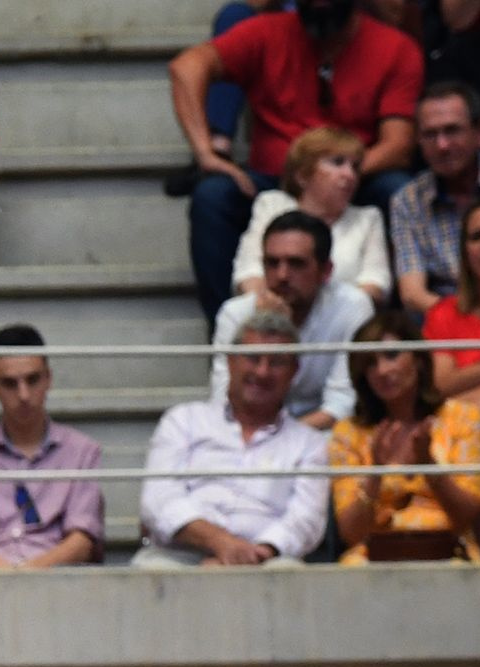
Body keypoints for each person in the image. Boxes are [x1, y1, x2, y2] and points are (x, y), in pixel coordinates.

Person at [169, 0, 423, 320]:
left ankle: (390, 342)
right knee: (212, 195)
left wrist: (337, 173)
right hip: (273, 179)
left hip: (354, 177)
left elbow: (398, 145)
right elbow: (186, 67)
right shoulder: (266, 32)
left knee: (397, 190)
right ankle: (233, 335)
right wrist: (205, 152)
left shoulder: (394, 47)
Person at [135, 308, 330, 567]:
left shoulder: (310, 443)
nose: (262, 372)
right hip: (180, 553)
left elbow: (306, 521)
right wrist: (220, 543)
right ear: (230, 361)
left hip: (264, 559)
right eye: (253, 358)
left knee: (288, 573)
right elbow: (158, 499)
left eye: (276, 362)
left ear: (294, 371)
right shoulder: (184, 420)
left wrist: (252, 553)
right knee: (151, 570)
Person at [327, 307, 480, 559]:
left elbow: (467, 515)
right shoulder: (348, 432)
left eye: (391, 355)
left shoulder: (463, 418)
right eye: (370, 364)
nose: (381, 371)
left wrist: (429, 466)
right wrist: (375, 473)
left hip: (449, 551)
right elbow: (350, 532)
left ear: (419, 361)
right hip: (374, 557)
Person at [0, 323, 105, 572]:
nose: (24, 395)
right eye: (10, 383)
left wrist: (32, 573)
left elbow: (82, 540)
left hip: (58, 571)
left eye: (33, 380)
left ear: (48, 378)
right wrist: (4, 573)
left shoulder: (83, 451)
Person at [211, 210, 377, 427]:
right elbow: (225, 401)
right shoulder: (235, 314)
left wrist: (284, 442)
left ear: (325, 271)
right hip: (248, 437)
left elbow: (341, 406)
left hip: (323, 437)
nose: (282, 275)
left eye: (296, 263)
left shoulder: (353, 307)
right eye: (272, 263)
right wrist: (268, 329)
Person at [230, 124, 392, 304]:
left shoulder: (368, 218)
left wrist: (321, 315)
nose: (349, 174)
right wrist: (271, 309)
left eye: (354, 167)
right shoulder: (272, 205)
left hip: (343, 324)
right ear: (302, 175)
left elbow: (377, 283)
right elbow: (248, 271)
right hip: (274, 317)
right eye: (337, 162)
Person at [391, 78, 480, 314]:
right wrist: (469, 323)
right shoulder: (408, 200)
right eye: (430, 134)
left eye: (452, 130)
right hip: (445, 317)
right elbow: (412, 294)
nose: (442, 145)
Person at [425, 193, 480, 396]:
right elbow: (441, 385)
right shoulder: (444, 313)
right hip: (461, 423)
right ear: (465, 253)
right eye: (476, 236)